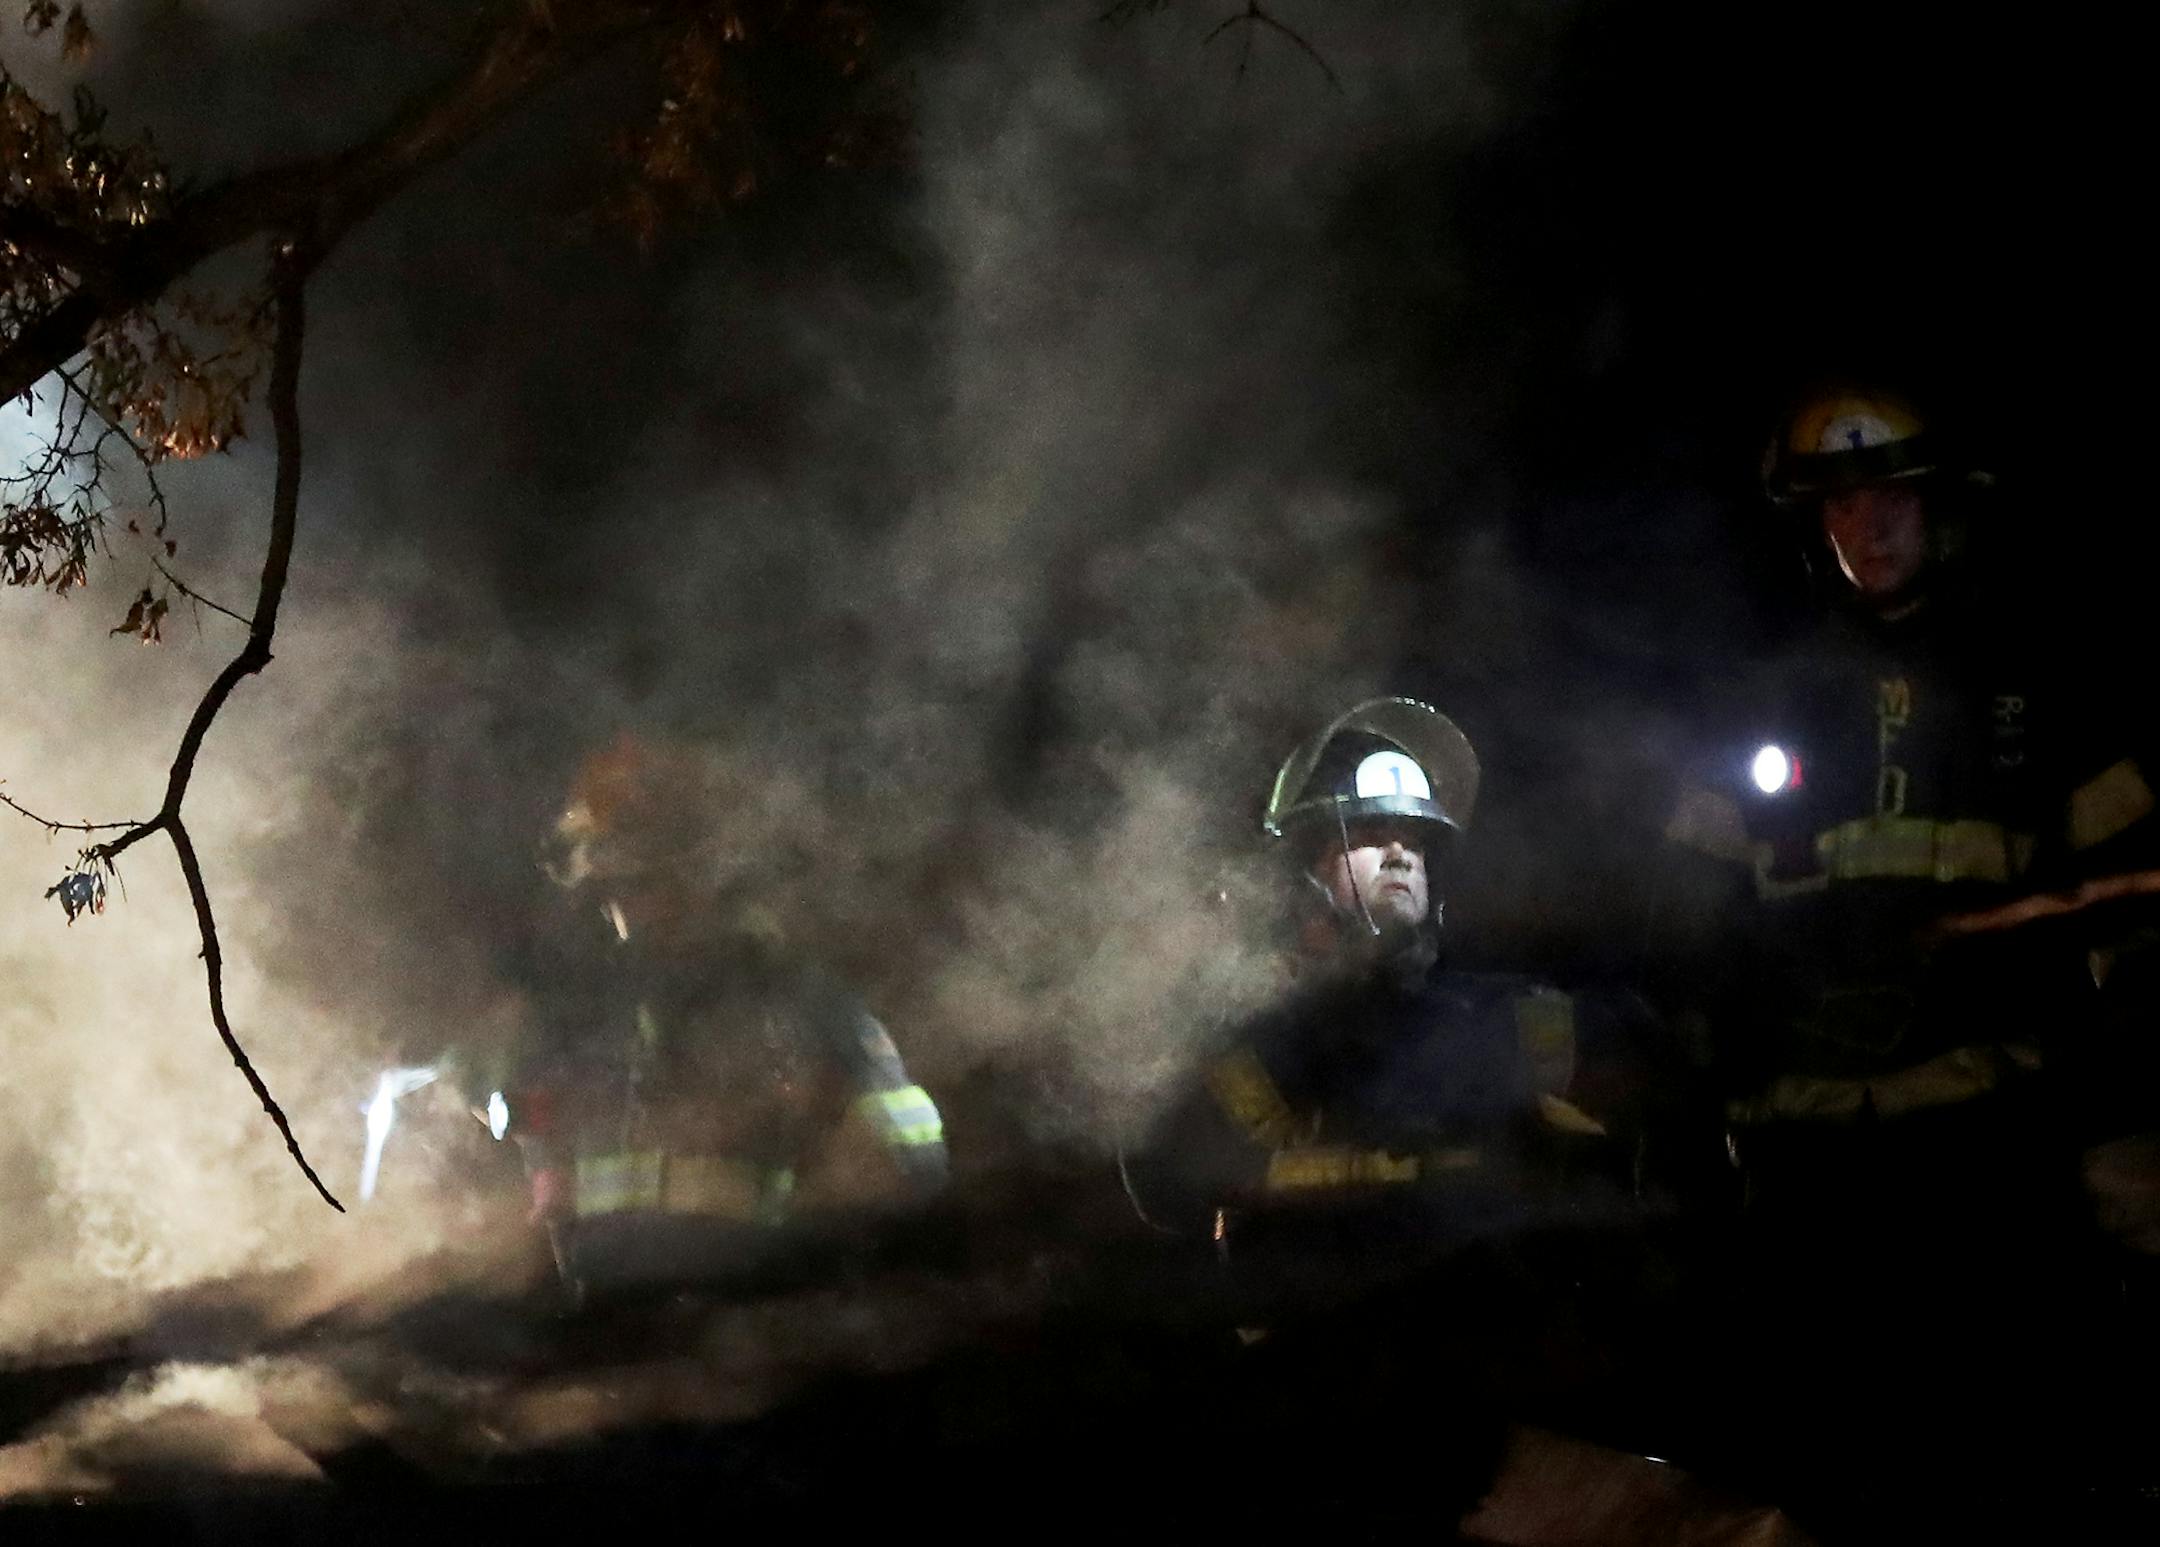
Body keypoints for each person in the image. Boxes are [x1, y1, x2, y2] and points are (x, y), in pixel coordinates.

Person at [1656, 385, 2155, 1514]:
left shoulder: (2035, 675)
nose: (1867, 526)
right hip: (1807, 1168)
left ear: (1938, 507)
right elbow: (1688, 926)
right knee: (1818, 1476)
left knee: (2009, 1460)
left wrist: (2117, 1110)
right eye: (1839, 503)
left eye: (1889, 495)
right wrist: (1704, 1090)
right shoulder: (1759, 699)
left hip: (1990, 1152)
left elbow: (2133, 901)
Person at [502, 731, 947, 1301]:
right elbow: (546, 1168)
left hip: (755, 1333)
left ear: (708, 875)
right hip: (608, 1330)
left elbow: (916, 1165)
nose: (622, 911)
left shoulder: (802, 1006)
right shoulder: (591, 1014)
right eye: (609, 889)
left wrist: (839, 1159)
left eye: (641, 883)